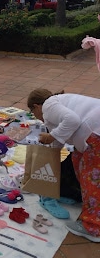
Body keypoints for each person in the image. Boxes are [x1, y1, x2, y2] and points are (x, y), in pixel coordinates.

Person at [27, 88, 100, 242]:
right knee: (77, 161)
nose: (38, 118)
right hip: (92, 133)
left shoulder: (48, 105)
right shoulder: (60, 103)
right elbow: (61, 138)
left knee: (92, 180)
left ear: (36, 106)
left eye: (33, 113)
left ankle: (92, 227)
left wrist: (50, 136)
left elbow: (72, 120)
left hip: (95, 134)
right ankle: (90, 204)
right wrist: (49, 156)